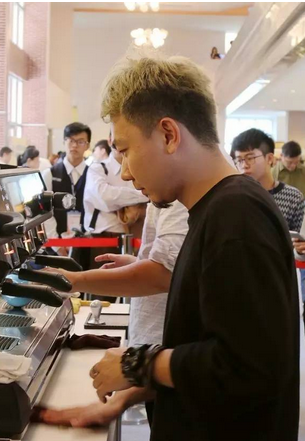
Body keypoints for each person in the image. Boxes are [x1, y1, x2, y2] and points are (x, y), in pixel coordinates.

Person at [87, 56, 299, 441]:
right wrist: (133, 392)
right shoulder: (215, 210)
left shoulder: (236, 215)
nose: (125, 173)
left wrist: (139, 364)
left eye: (126, 150)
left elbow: (248, 367)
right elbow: (205, 347)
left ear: (168, 134)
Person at [39, 198, 188, 428]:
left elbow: (162, 274)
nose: (126, 174)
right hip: (160, 379)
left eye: (127, 159)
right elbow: (177, 270)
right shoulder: (175, 199)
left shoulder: (194, 203)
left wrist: (75, 280)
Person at [81, 142, 149, 273]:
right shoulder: (98, 167)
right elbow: (105, 197)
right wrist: (144, 194)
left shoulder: (141, 168)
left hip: (137, 236)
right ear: (110, 139)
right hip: (103, 237)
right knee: (102, 287)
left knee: (132, 286)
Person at [231, 129, 305, 232]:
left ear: (269, 158)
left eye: (250, 158)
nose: (244, 165)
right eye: (239, 160)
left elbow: (299, 240)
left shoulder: (293, 198)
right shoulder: (233, 196)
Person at [41, 122, 91, 256]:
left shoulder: (93, 174)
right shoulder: (50, 174)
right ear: (64, 141)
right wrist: (58, 246)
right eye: (71, 140)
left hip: (86, 243)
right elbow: (45, 212)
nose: (74, 145)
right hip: (55, 246)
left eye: (80, 141)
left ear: (87, 145)